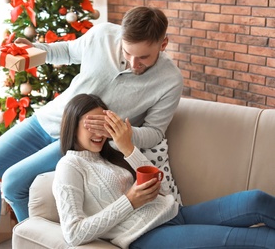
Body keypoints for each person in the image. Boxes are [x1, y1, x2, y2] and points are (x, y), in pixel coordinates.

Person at [0, 6, 183, 248]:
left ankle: (36, 243)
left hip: (79, 142)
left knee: (12, 183)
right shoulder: (102, 35)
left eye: (143, 57)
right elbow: (68, 51)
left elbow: (155, 133)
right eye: (127, 53)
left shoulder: (170, 81)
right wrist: (35, 50)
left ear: (163, 44)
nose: (134, 63)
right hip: (49, 120)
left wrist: (119, 132)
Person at [53, 93, 275, 249]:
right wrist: (129, 201)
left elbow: (165, 189)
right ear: (72, 125)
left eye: (104, 124)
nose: (99, 132)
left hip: (175, 213)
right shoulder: (69, 167)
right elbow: (73, 233)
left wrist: (127, 147)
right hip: (147, 235)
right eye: (91, 124)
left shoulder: (111, 155)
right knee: (257, 239)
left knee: (255, 200)